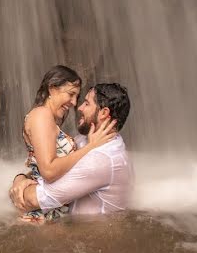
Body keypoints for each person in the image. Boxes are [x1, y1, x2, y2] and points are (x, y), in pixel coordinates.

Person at [11, 82, 132, 218]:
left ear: (104, 113)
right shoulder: (85, 140)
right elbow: (54, 169)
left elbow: (31, 200)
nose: (79, 107)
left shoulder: (102, 160)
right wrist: (20, 179)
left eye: (86, 103)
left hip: (92, 235)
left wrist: (18, 189)